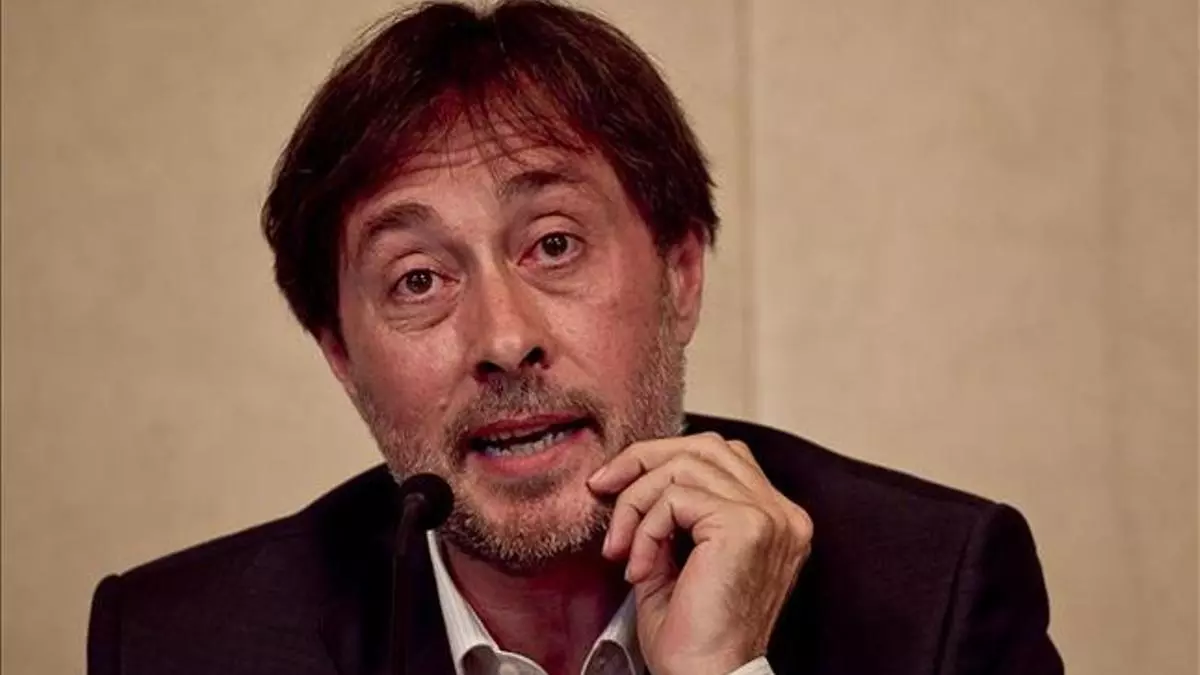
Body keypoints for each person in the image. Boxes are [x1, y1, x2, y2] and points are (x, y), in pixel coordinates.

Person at [86, 2, 1064, 674]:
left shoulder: (933, 598)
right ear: (340, 353)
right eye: (418, 278)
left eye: (554, 244)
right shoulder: (183, 644)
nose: (505, 338)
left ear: (681, 276)